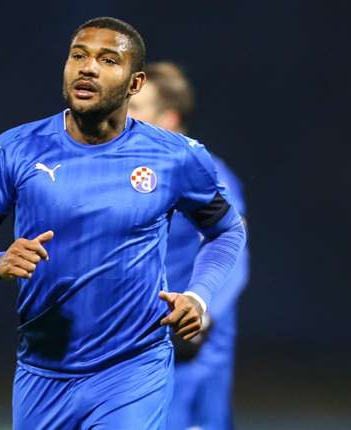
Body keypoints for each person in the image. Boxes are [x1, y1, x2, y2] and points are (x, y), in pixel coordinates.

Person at [0, 17, 247, 430]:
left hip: (134, 369)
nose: (88, 68)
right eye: (78, 56)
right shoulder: (15, 150)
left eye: (108, 60)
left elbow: (227, 231)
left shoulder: (176, 156)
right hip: (42, 373)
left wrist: (199, 296)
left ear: (135, 83)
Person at [129, 62, 249, 430]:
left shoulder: (207, 175)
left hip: (190, 346)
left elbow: (233, 252)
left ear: (168, 118)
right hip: (137, 344)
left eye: (135, 108)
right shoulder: (125, 174)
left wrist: (202, 310)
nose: (123, 116)